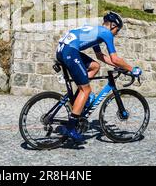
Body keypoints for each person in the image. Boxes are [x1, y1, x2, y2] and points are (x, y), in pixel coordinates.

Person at [55, 12, 142, 142]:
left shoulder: (95, 31)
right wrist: (131, 69)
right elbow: (115, 58)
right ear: (113, 25)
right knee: (87, 90)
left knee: (95, 66)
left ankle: (80, 98)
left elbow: (100, 57)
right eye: (117, 31)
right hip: (69, 51)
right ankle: (71, 128)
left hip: (63, 50)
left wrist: (120, 66)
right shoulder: (106, 33)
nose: (115, 34)